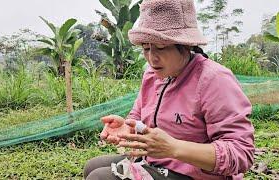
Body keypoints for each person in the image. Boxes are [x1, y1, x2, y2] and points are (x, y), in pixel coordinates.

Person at [83, 0, 255, 179]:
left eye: (161, 47)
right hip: (156, 161)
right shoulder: (152, 75)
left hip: (193, 173)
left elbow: (241, 153)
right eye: (146, 48)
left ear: (186, 45)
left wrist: (174, 148)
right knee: (92, 166)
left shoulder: (213, 79)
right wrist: (128, 127)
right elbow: (139, 116)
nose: (151, 58)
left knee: (99, 177)